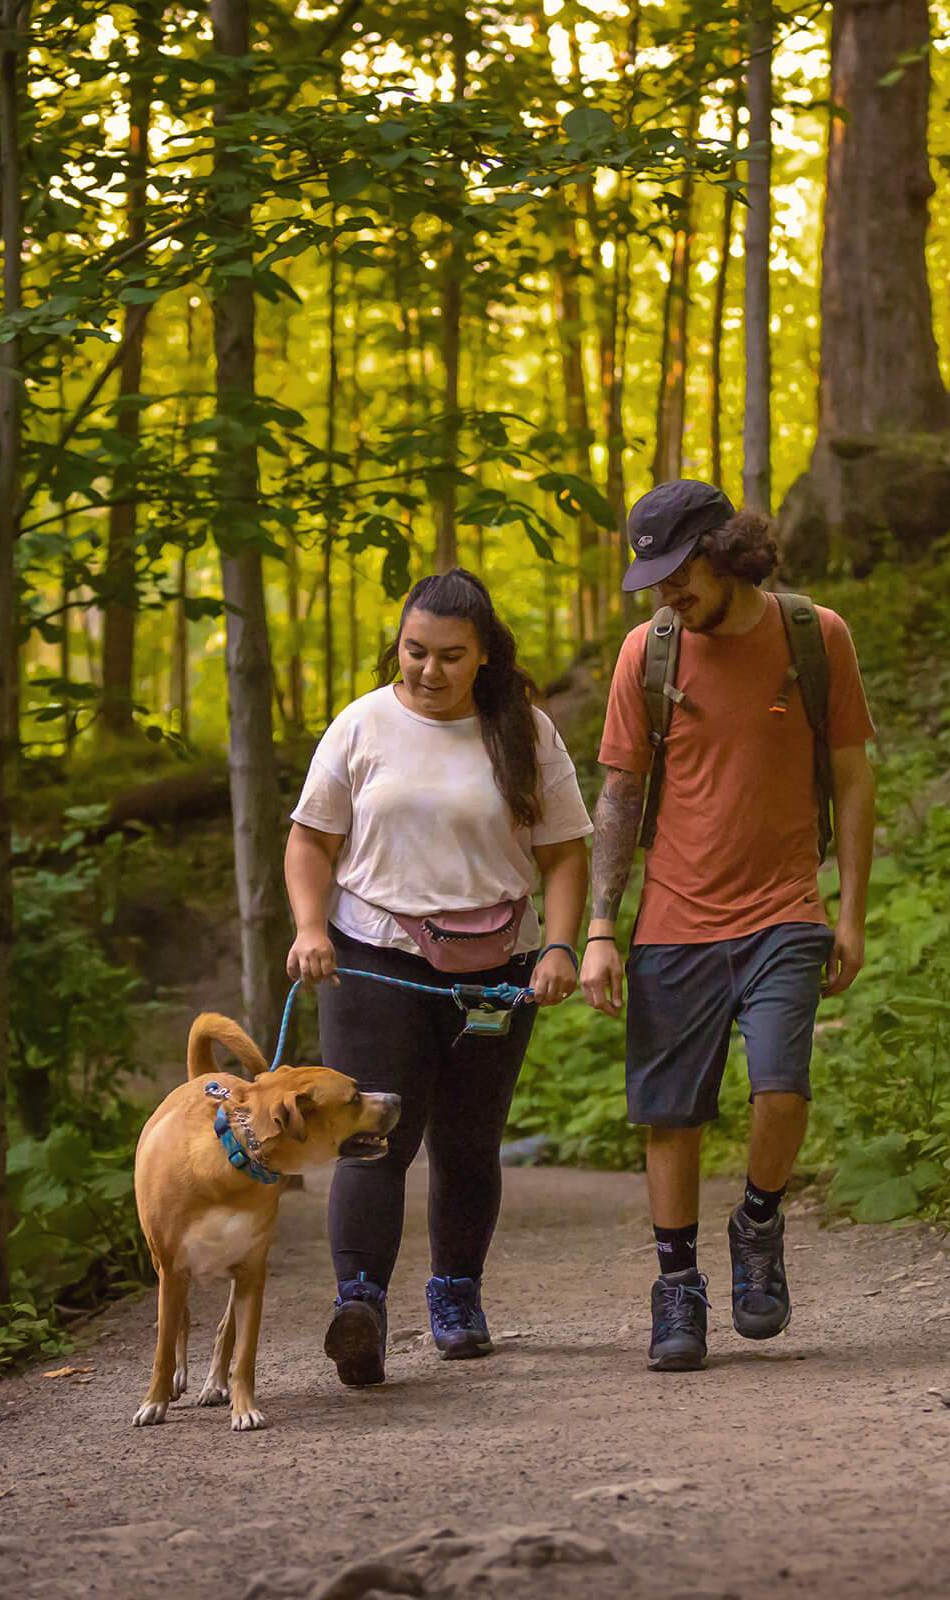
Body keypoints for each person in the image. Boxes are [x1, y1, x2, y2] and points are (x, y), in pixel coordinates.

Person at [580, 479, 877, 1372]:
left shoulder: (815, 636)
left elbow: (854, 779)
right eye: (655, 580)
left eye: (680, 572)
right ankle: (678, 1287)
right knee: (670, 1117)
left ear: (726, 551)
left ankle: (757, 1222)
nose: (668, 592)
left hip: (785, 906)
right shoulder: (648, 653)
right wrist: (601, 926)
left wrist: (851, 914)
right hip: (674, 918)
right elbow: (620, 793)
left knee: (782, 1089)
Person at [285, 569, 591, 1386]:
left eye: (450, 655)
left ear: (484, 654)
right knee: (370, 1136)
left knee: (466, 1142)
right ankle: (359, 1308)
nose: (428, 669)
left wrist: (561, 948)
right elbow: (311, 840)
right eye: (414, 650)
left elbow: (564, 854)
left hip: (498, 968)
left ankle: (456, 1296)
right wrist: (310, 927)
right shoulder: (361, 725)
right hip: (375, 957)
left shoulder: (524, 731)